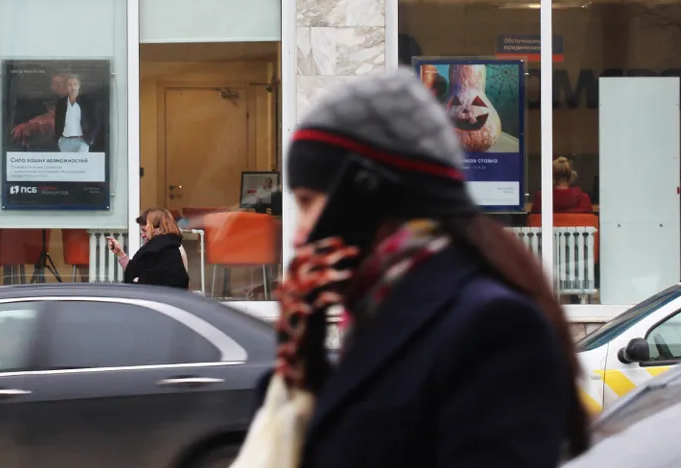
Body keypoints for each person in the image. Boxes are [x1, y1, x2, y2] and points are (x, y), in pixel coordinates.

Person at [231, 71, 588, 468]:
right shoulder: (376, 312)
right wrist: (303, 364)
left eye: (308, 202)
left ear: (368, 191)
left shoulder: (493, 327)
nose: (299, 235)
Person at [107, 208, 189, 289]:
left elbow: (144, 280)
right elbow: (137, 271)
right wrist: (120, 254)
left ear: (156, 229)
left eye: (145, 230)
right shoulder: (166, 247)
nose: (142, 235)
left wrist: (137, 281)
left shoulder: (158, 251)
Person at [54, 74, 101, 153]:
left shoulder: (87, 101)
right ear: (66, 87)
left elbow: (95, 122)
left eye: (75, 84)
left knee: (81, 161)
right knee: (66, 161)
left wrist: (90, 138)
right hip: (65, 141)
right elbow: (57, 121)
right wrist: (58, 139)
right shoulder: (61, 102)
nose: (72, 87)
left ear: (79, 86)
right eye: (70, 85)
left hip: (82, 141)